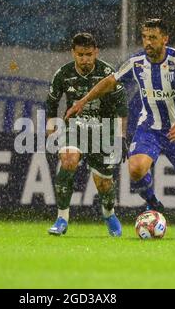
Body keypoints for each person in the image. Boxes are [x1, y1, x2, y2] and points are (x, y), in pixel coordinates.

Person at [66, 19, 175, 239]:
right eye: (144, 37)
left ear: (164, 39)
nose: (147, 42)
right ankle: (154, 205)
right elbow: (110, 81)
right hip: (149, 128)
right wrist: (82, 101)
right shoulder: (137, 62)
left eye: (153, 37)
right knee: (135, 168)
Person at [46, 33, 161, 237]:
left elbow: (122, 108)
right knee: (68, 160)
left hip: (105, 130)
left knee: (104, 184)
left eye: (89, 54)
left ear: (96, 52)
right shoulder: (63, 74)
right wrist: (50, 125)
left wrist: (121, 138)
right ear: (73, 53)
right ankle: (62, 218)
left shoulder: (107, 73)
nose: (85, 59)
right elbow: (52, 102)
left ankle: (109, 214)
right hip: (75, 128)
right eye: (80, 55)